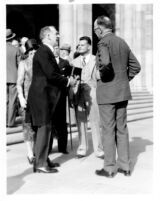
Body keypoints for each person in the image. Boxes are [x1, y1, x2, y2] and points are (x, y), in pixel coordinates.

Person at [94, 16, 141, 178]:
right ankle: (125, 166)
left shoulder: (103, 42)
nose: (95, 33)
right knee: (122, 129)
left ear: (100, 29)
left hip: (107, 93)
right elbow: (136, 66)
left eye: (95, 30)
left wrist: (102, 76)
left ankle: (109, 168)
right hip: (122, 92)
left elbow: (105, 63)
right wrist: (123, 80)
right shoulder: (122, 42)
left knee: (108, 130)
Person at [26, 26, 76, 173]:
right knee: (43, 128)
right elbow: (51, 74)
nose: (58, 36)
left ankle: (44, 159)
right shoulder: (43, 51)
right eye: (55, 34)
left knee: (46, 128)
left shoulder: (45, 51)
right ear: (48, 36)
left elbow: (52, 73)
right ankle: (41, 163)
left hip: (44, 96)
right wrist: (68, 81)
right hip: (41, 97)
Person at [71, 36, 104, 159]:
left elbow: (99, 77)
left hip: (92, 93)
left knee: (95, 121)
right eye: (79, 45)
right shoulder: (74, 62)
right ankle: (82, 148)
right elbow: (71, 79)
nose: (80, 47)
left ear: (89, 46)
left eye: (83, 45)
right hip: (78, 93)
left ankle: (99, 150)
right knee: (81, 122)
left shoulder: (96, 60)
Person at [17, 39, 39, 164]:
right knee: (27, 127)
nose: (33, 53)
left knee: (37, 127)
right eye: (31, 51)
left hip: (39, 99)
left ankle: (36, 151)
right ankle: (30, 153)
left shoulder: (41, 63)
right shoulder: (23, 63)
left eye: (35, 50)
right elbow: (19, 82)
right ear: (28, 52)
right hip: (27, 99)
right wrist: (21, 97)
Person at [50, 44, 71, 154]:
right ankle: (48, 148)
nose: (55, 50)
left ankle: (62, 147)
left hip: (62, 96)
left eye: (57, 48)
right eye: (53, 48)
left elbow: (68, 78)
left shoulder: (65, 62)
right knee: (50, 122)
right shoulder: (47, 62)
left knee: (62, 122)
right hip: (50, 96)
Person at [6, 29, 20, 127]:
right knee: (12, 101)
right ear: (12, 38)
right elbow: (19, 64)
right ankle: (10, 122)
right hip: (13, 78)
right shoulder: (15, 49)